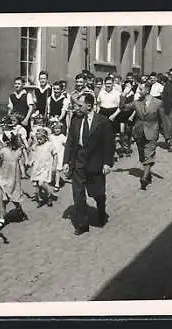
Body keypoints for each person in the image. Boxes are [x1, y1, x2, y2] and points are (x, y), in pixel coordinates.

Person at [63, 93, 115, 235]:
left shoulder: (102, 121)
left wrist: (107, 163)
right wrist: (66, 161)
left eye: (80, 105)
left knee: (97, 192)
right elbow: (70, 142)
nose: (77, 108)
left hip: (95, 162)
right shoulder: (75, 121)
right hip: (78, 161)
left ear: (89, 106)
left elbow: (109, 144)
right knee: (78, 194)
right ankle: (82, 224)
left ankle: (101, 209)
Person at [123, 82, 162, 190]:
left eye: (141, 89)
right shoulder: (136, 103)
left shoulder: (158, 103)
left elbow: (163, 118)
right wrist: (123, 95)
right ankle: (148, 172)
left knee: (148, 153)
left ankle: (144, 178)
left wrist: (167, 136)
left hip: (152, 131)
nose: (138, 91)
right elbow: (123, 107)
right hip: (139, 131)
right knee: (142, 156)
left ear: (148, 90)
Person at [0, 125, 28, 229]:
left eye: (9, 140)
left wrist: (25, 164)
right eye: (5, 141)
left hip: (14, 178)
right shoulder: (2, 151)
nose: (7, 143)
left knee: (14, 197)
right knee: (3, 199)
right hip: (2, 176)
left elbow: (22, 159)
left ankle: (19, 209)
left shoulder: (18, 151)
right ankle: (2, 218)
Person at [28, 128, 57, 207]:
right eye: (38, 139)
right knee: (38, 185)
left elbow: (55, 155)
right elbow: (33, 155)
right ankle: (40, 199)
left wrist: (54, 165)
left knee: (41, 183)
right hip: (37, 167)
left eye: (41, 139)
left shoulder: (49, 145)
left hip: (45, 167)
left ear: (45, 137)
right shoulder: (35, 146)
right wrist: (30, 161)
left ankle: (48, 195)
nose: (39, 140)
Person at [96, 76, 123, 157]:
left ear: (113, 84)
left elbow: (120, 107)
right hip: (103, 113)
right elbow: (98, 105)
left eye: (110, 83)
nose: (108, 85)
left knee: (113, 135)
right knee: (103, 135)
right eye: (107, 83)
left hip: (114, 114)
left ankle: (114, 153)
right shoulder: (101, 92)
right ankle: (104, 153)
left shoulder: (117, 93)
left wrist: (114, 116)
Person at [49, 119, 67, 192]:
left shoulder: (62, 136)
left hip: (59, 155)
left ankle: (57, 184)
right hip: (51, 155)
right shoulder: (50, 136)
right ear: (53, 129)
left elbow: (67, 144)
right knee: (51, 169)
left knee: (58, 170)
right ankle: (52, 178)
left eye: (59, 128)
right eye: (56, 128)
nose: (57, 130)